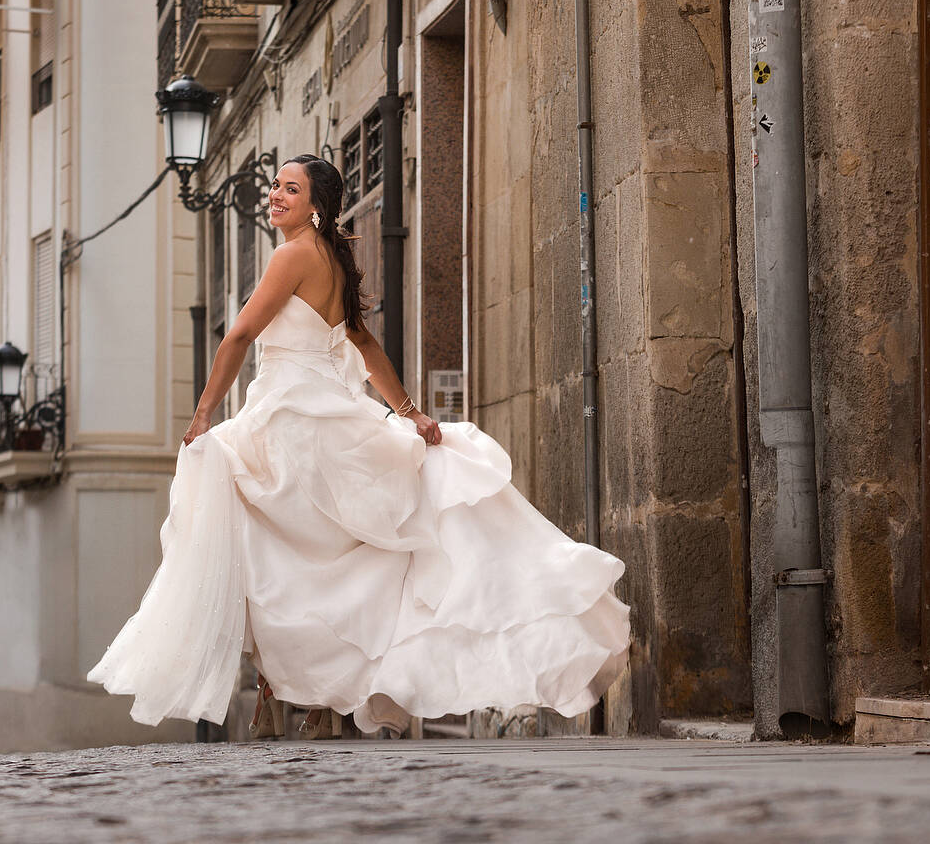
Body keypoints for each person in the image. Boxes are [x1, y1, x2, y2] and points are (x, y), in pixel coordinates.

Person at [86, 154, 631, 739]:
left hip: (291, 424)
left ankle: (288, 698)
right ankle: (309, 704)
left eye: (289, 189)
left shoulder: (292, 255)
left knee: (262, 556)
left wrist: (200, 420)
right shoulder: (332, 261)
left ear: (315, 205)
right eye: (274, 185)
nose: (275, 194)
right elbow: (364, 344)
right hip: (319, 417)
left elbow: (240, 334)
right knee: (307, 566)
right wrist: (409, 411)